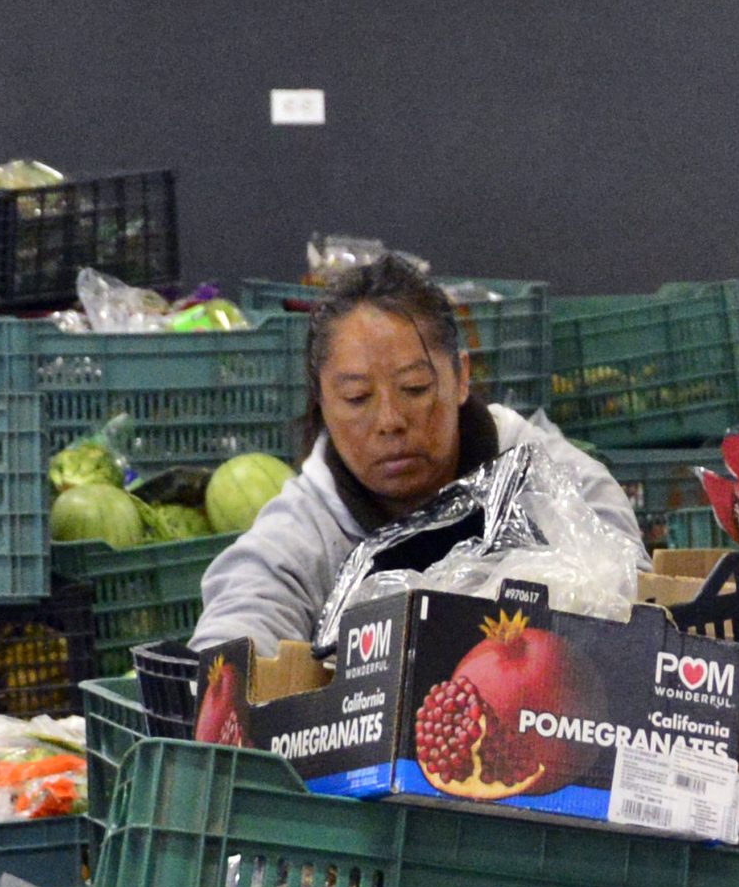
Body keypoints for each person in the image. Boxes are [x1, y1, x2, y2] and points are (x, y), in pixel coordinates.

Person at [193, 255, 641, 649]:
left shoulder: (551, 480)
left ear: (461, 377)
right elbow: (240, 626)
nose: (390, 420)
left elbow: (631, 584)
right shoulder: (305, 533)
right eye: (356, 398)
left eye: (415, 388)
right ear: (322, 401)